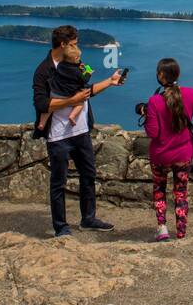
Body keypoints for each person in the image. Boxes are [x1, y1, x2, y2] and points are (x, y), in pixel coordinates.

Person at [31, 25, 127, 238]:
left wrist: (110, 82)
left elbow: (85, 90)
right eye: (74, 44)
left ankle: (88, 219)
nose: (77, 47)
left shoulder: (76, 62)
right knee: (58, 182)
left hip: (81, 131)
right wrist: (71, 101)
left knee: (89, 175)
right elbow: (40, 103)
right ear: (63, 44)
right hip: (58, 135)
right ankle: (61, 227)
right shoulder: (44, 70)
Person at [143, 57, 193, 241]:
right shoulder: (192, 94)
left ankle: (162, 228)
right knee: (181, 192)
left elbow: (153, 133)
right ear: (178, 74)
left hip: (160, 156)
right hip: (184, 154)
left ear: (160, 75)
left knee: (159, 190)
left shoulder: (154, 101)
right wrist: (191, 134)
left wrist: (146, 114)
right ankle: (181, 231)